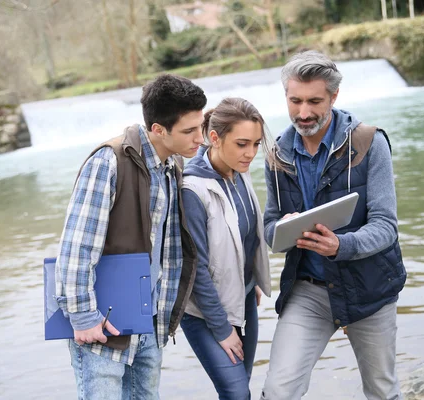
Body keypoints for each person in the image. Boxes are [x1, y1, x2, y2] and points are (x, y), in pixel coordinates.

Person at [260, 50, 407, 400]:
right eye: (295, 101)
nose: (303, 112)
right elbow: (269, 225)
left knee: (382, 391)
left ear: (334, 96)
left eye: (314, 101)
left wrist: (343, 246)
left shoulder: (370, 143)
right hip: (308, 290)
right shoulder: (276, 152)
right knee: (278, 391)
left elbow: (386, 226)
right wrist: (281, 228)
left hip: (368, 287)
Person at [54, 74, 207, 399]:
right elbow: (76, 247)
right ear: (158, 130)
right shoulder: (108, 162)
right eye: (190, 131)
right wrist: (82, 318)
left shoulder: (171, 166)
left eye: (202, 126)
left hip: (149, 320)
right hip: (101, 324)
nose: (200, 138)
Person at [179, 97, 273, 400]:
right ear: (215, 138)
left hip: (243, 296)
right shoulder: (192, 190)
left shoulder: (239, 170)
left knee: (241, 386)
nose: (251, 153)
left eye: (257, 144)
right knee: (236, 392)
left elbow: (243, 234)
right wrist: (221, 329)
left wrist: (250, 277)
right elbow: (195, 270)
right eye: (243, 143)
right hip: (204, 313)